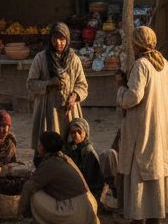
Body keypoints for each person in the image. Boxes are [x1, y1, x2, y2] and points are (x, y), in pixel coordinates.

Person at [116, 26, 168, 224]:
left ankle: (138, 217)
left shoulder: (142, 64)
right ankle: (154, 217)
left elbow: (134, 96)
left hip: (142, 128)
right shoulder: (162, 62)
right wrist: (159, 97)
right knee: (155, 169)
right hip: (157, 127)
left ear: (137, 44)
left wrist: (120, 90)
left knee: (140, 170)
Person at [27, 23, 89, 152]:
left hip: (69, 111)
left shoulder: (74, 60)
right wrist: (48, 84)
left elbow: (82, 85)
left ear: (67, 40)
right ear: (50, 39)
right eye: (55, 38)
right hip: (48, 110)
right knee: (48, 147)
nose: (58, 42)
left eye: (62, 39)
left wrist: (74, 96)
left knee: (70, 146)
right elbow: (30, 84)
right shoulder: (41, 58)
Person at [18, 131, 99, 224]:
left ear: (44, 147)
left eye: (40, 144)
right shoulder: (64, 158)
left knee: (35, 194)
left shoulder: (50, 163)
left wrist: (20, 213)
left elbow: (28, 187)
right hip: (87, 209)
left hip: (74, 213)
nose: (38, 147)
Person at [63, 117, 106, 206]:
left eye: (79, 132)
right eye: (73, 132)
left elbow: (89, 177)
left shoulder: (88, 151)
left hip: (88, 189)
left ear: (85, 133)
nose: (76, 135)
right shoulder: (71, 147)